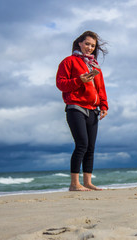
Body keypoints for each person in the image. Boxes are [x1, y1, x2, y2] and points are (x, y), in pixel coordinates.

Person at [56, 31, 108, 191]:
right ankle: (74, 184)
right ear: (79, 43)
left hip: (93, 109)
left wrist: (104, 105)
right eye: (87, 44)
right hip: (75, 107)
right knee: (82, 144)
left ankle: (87, 182)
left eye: (92, 46)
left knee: (91, 147)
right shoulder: (68, 61)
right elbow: (61, 84)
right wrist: (79, 80)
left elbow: (101, 88)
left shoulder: (95, 66)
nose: (89, 48)